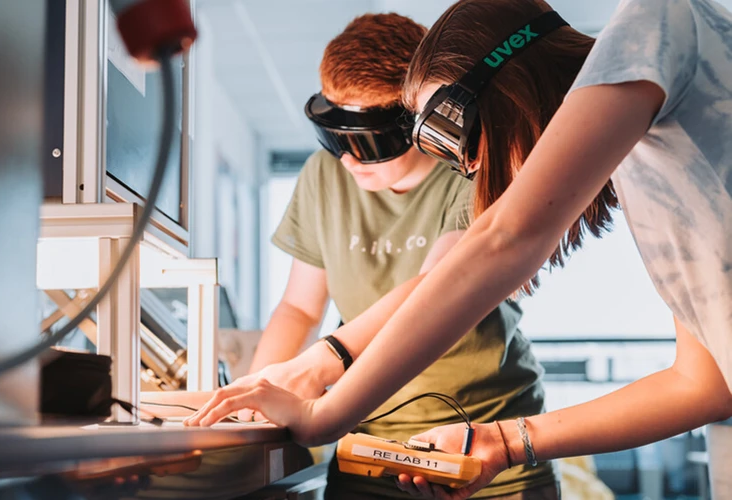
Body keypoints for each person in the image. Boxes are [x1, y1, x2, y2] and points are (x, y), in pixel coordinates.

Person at [186, 0, 732, 498]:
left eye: (452, 138)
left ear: (501, 83)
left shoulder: (658, 20)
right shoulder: (649, 162)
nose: (467, 167)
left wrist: (324, 412)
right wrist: (503, 441)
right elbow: (704, 385)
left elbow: (502, 241)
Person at [236, 12, 558, 499]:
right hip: (369, 449)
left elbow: (437, 289)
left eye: (365, 143)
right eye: (336, 138)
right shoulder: (323, 178)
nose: (347, 160)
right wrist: (254, 397)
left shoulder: (471, 169)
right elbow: (299, 308)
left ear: (419, 122)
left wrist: (323, 364)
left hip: (485, 443)